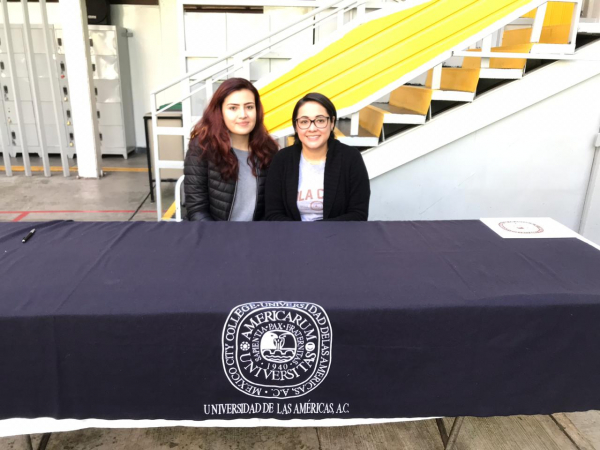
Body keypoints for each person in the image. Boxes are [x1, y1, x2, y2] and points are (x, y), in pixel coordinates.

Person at [265, 93, 370, 221]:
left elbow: (358, 214)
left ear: (332, 123)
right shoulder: (282, 160)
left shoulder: (351, 158)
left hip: (337, 237)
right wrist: (302, 233)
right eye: (304, 122)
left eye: (320, 120)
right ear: (296, 126)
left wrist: (318, 232)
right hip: (292, 236)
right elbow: (273, 213)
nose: (312, 128)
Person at [184, 78, 278, 221]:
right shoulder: (202, 146)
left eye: (249, 107)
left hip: (256, 236)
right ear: (220, 111)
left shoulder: (268, 149)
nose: (243, 115)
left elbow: (272, 207)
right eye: (233, 108)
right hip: (215, 236)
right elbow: (197, 209)